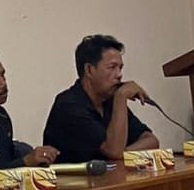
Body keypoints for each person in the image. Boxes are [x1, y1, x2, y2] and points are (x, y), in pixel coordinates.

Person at [42, 34, 161, 163]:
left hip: (111, 175)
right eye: (112, 67)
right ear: (89, 70)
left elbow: (151, 140)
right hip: (73, 176)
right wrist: (121, 97)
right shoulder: (68, 105)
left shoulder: (108, 100)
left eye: (120, 68)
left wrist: (124, 154)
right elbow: (113, 151)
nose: (119, 75)